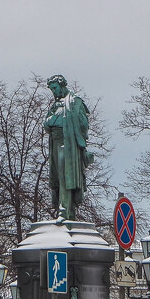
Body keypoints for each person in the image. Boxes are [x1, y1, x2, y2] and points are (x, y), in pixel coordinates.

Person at [44, 74, 94, 221]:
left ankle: (64, 211)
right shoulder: (55, 105)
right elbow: (46, 124)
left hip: (69, 144)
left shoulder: (74, 102)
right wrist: (53, 120)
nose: (54, 92)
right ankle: (67, 211)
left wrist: (81, 145)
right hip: (55, 142)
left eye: (55, 88)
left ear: (62, 85)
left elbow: (83, 124)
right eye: (52, 89)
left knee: (65, 175)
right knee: (58, 178)